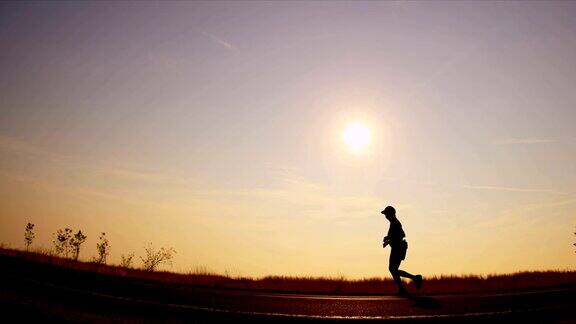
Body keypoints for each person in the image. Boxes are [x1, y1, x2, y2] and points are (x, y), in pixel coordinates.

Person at [381, 205, 423, 296]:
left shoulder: (395, 223)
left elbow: (401, 235)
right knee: (393, 269)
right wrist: (388, 239)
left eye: (386, 214)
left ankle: (414, 279)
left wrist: (389, 240)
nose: (385, 216)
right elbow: (399, 235)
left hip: (397, 248)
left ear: (391, 214)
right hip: (397, 248)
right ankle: (403, 288)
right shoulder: (394, 223)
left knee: (393, 269)